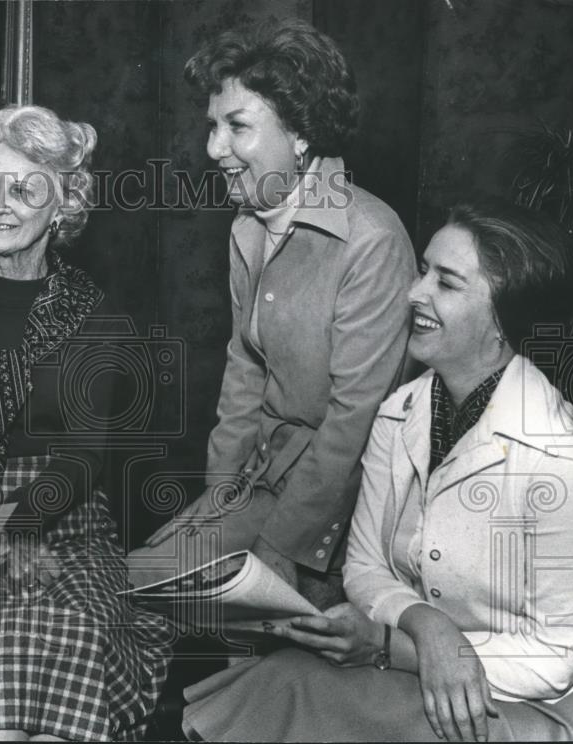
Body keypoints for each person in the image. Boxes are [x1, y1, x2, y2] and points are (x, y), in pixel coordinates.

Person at [181, 200, 573, 742]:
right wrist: (424, 625)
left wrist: (394, 646)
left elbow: (555, 658)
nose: (414, 292)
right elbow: (363, 568)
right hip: (428, 670)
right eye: (424, 270)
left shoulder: (564, 455)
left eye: (446, 283)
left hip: (539, 702)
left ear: (504, 319)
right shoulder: (400, 411)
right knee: (285, 680)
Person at [0, 105, 172, 741]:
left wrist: (14, 527)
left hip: (69, 530)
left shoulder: (92, 313)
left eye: (23, 189)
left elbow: (80, 460)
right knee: (25, 628)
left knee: (52, 628)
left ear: (63, 202)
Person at [131, 20, 417, 608]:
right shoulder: (247, 227)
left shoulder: (372, 239)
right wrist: (217, 498)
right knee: (136, 586)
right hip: (261, 480)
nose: (214, 148)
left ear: (302, 135)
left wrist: (277, 551)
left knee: (154, 601)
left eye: (237, 126)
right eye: (213, 125)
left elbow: (352, 424)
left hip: (342, 505)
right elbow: (246, 371)